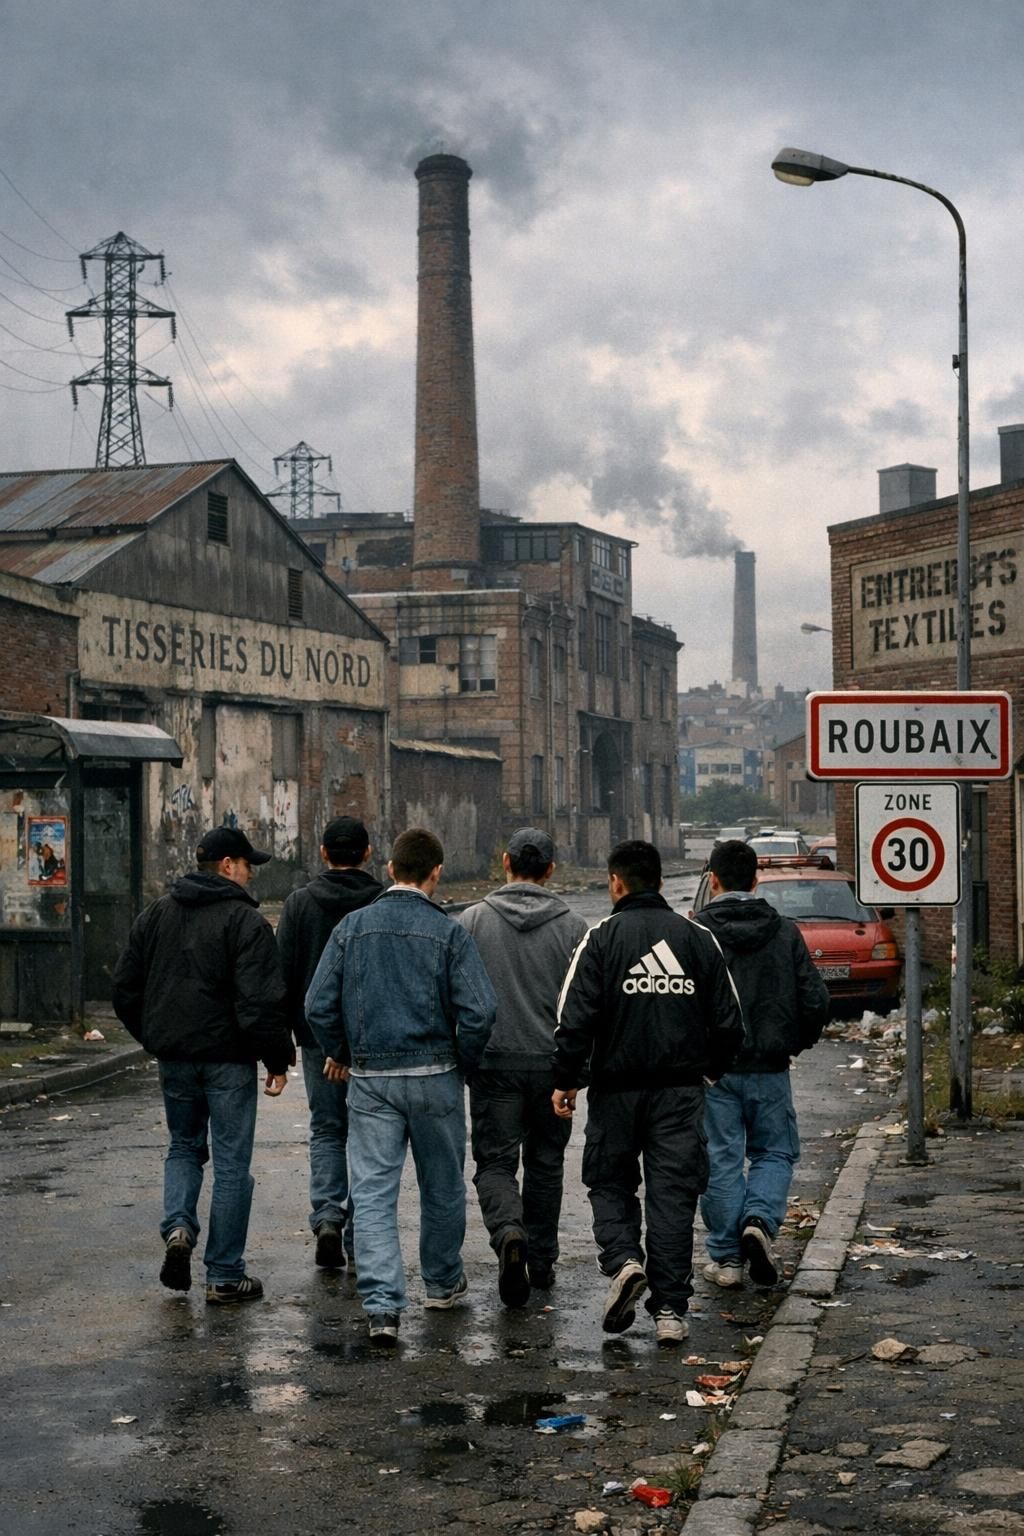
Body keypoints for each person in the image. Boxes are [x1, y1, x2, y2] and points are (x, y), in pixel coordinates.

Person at [304, 827, 496, 1345]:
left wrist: (341, 1052)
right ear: (436, 873)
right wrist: (463, 1061)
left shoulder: (351, 928)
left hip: (371, 1081)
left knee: (372, 1193)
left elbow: (316, 1005)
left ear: (389, 868)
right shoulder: (450, 932)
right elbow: (480, 1011)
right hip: (436, 1077)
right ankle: (440, 1282)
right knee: (442, 1185)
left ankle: (383, 1307)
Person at [552, 840, 743, 1345]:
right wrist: (707, 1074)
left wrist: (566, 1079)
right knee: (673, 1196)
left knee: (610, 1182)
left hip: (615, 1092)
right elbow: (729, 1023)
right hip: (680, 1093)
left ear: (616, 882)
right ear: (659, 880)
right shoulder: (697, 939)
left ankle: (623, 1262)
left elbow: (573, 1019)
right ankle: (670, 1313)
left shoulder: (601, 939)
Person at [111, 827, 293, 1304]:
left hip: (175, 1058)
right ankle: (225, 1275)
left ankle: (177, 1230)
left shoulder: (156, 915)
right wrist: (277, 1058)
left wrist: (154, 1036)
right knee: (233, 1165)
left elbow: (125, 987)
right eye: (249, 864)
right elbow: (261, 1002)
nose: (252, 874)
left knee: (183, 1148)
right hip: (228, 1062)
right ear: (229, 866)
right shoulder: (245, 922)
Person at [459, 827, 588, 1308]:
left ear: (505, 862)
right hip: (553, 1068)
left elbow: (460, 997)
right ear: (551, 870)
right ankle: (543, 1260)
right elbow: (583, 1007)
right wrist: (576, 1073)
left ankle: (509, 1232)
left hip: (494, 1064)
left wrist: (467, 1055)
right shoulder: (575, 927)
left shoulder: (472, 921)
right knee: (546, 1163)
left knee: (494, 1162)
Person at [694, 839, 830, 1288]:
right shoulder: (784, 931)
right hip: (770, 1066)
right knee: (774, 1151)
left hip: (714, 1072)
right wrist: (791, 1043)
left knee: (721, 1157)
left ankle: (727, 1260)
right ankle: (759, 1220)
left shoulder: (697, 933)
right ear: (756, 880)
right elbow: (815, 999)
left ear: (713, 880)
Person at [276, 816, 384, 1270]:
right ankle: (360, 1234)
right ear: (367, 854)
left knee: (326, 1129)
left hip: (317, 1038)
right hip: (372, 1040)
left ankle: (326, 1219)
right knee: (367, 1136)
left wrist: (283, 1045)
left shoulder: (300, 903)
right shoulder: (381, 901)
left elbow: (283, 973)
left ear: (323, 853)